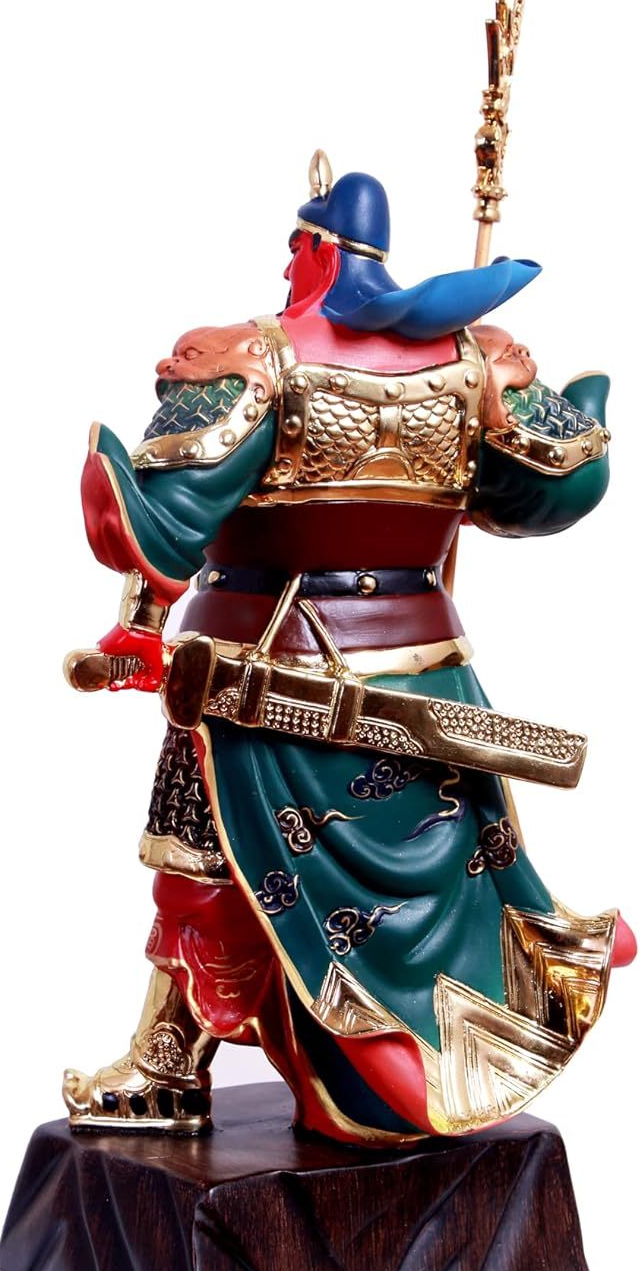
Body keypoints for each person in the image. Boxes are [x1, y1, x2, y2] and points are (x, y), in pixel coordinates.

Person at [63, 153, 635, 1143]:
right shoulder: (473, 365)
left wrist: (138, 604)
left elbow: (162, 521)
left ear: (314, 251)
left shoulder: (253, 360)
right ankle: (201, 1057)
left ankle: (170, 1061)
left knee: (199, 855)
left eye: (298, 250)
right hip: (428, 672)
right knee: (444, 864)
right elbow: (563, 484)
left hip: (260, 674)